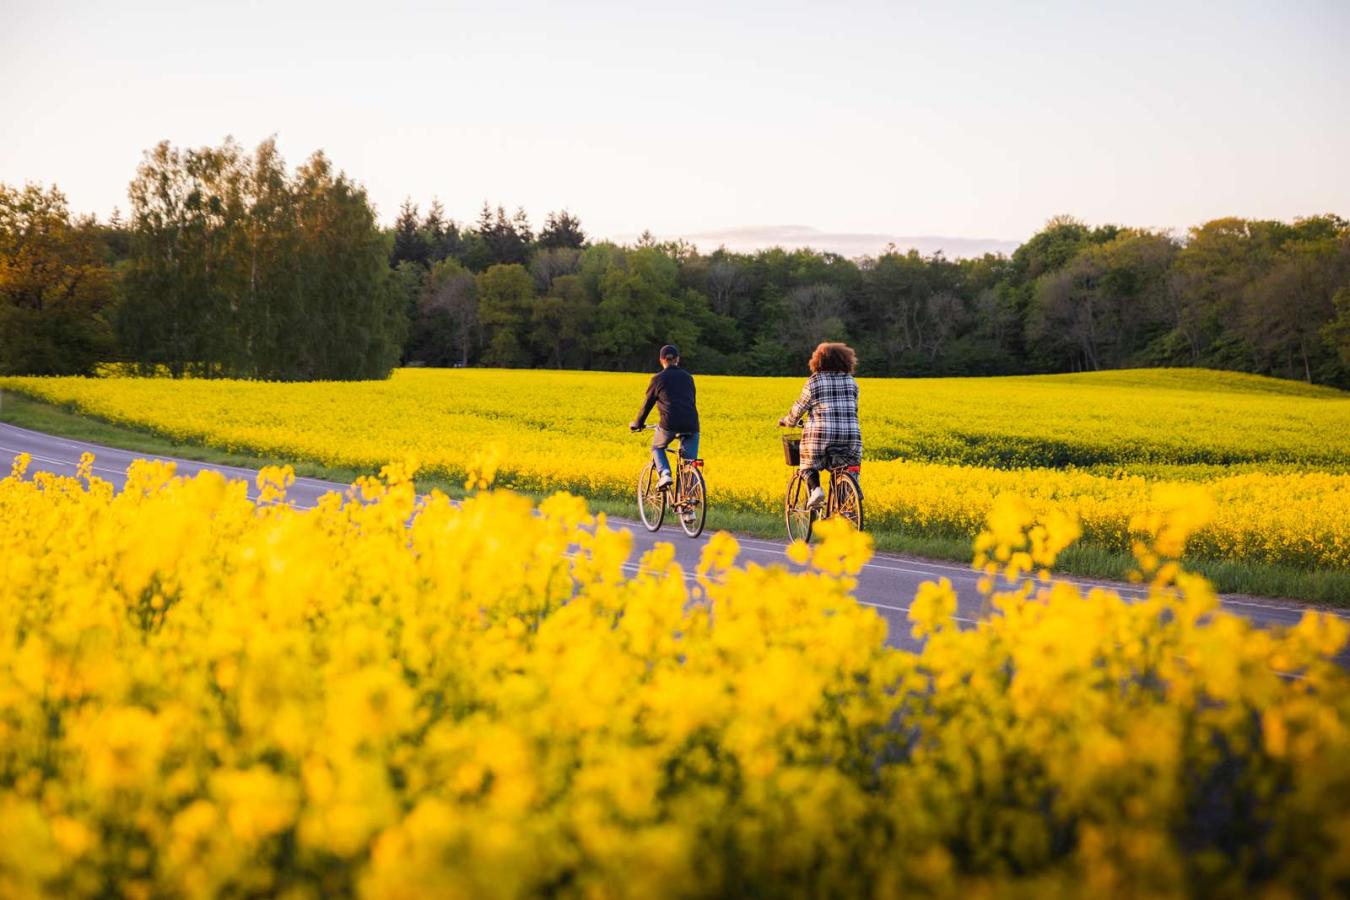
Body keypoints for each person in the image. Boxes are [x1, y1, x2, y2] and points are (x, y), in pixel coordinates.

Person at [778, 342, 862, 508]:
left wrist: (787, 421)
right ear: (846, 361)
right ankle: (848, 503)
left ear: (818, 361)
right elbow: (854, 408)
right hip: (850, 438)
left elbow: (799, 409)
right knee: (848, 468)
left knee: (807, 464)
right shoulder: (852, 382)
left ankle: (816, 490)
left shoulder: (814, 381)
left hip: (820, 437)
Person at [630, 344, 700, 490]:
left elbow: (647, 404)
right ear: (677, 359)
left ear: (661, 360)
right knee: (689, 463)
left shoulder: (658, 379)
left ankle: (665, 474)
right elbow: (691, 400)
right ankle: (689, 507)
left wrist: (638, 423)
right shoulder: (688, 378)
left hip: (669, 424)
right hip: (692, 425)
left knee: (657, 447)